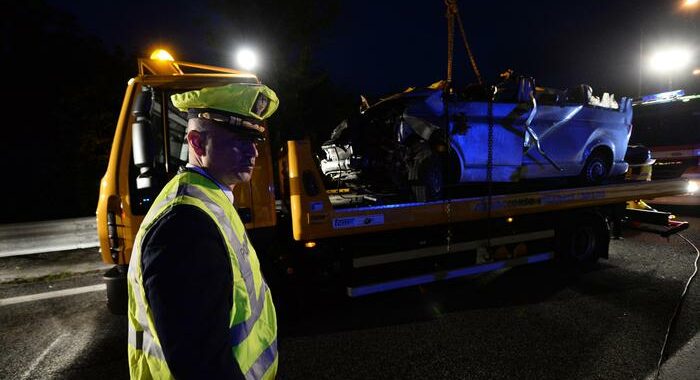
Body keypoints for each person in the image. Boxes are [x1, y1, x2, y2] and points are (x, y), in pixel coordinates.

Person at [126, 83, 280, 379]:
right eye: (239, 139)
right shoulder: (185, 224)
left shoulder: (204, 199)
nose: (253, 151)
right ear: (196, 143)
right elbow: (200, 363)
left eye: (255, 140)